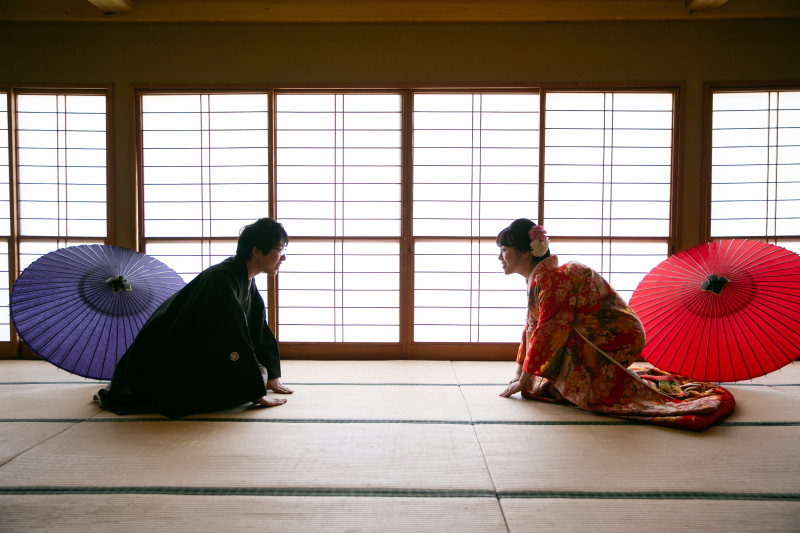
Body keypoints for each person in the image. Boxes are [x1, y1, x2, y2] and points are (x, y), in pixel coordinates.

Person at [497, 218, 734, 430]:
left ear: (525, 253)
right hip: (596, 334)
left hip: (620, 336)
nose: (499, 257)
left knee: (561, 383)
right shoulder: (542, 278)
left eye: (504, 250)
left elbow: (547, 332)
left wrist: (523, 380)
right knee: (546, 385)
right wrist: (519, 376)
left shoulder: (553, 280)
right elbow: (532, 327)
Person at [94, 218, 293, 417]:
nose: (283, 257)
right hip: (174, 359)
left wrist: (271, 376)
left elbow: (258, 329)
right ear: (256, 251)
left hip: (203, 353)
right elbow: (234, 336)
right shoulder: (222, 279)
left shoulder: (243, 277)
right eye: (279, 249)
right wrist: (256, 392)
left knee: (258, 373)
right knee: (250, 379)